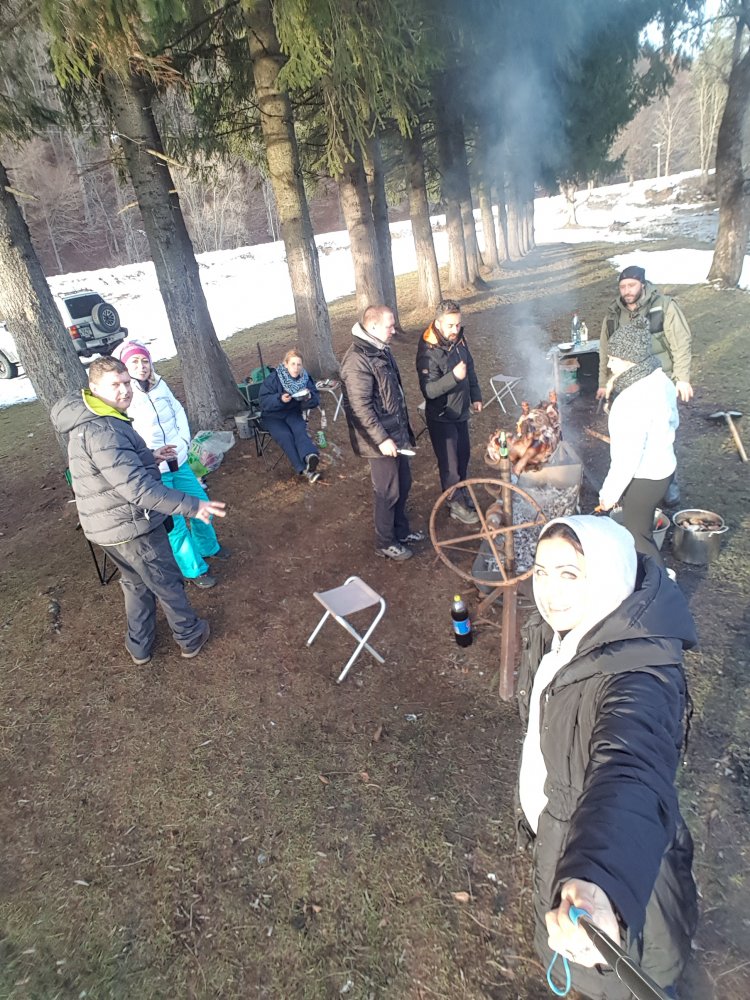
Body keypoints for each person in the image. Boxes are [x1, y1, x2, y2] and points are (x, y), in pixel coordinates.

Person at [517, 514, 698, 1000]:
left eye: (569, 574)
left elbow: (630, 770)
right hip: (561, 837)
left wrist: (600, 880)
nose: (549, 592)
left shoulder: (640, 677)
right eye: (541, 572)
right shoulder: (564, 634)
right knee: (586, 977)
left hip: (622, 875)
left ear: (609, 576)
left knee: (627, 981)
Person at [51, 357, 227, 665]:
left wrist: (148, 456)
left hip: (107, 528)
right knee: (166, 582)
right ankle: (190, 636)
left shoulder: (94, 420)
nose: (124, 391)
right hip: (132, 526)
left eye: (126, 383)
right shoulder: (105, 429)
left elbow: (113, 469)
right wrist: (193, 505)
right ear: (95, 388)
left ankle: (139, 645)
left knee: (135, 583)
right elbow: (139, 490)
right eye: (115, 385)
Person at [117, 340, 228, 589]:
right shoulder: (126, 397)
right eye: (135, 362)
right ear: (125, 366)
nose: (141, 366)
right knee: (175, 523)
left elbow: (178, 412)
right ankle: (194, 569)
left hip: (179, 462)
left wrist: (182, 442)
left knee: (201, 505)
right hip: (156, 471)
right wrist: (150, 455)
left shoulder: (160, 385)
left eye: (144, 361)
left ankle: (209, 548)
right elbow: (130, 435)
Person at [597, 264, 692, 507]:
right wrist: (603, 383)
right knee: (630, 437)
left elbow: (681, 342)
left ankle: (668, 484)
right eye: (622, 286)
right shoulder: (613, 314)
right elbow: (605, 351)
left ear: (642, 284)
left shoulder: (663, 306)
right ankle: (632, 482)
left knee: (661, 434)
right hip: (627, 383)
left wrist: (682, 377)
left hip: (659, 380)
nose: (627, 291)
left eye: (631, 285)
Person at [340, 304, 424, 561]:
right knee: (387, 492)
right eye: (390, 326)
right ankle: (385, 542)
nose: (393, 330)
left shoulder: (380, 349)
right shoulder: (357, 360)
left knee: (403, 484)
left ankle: (401, 531)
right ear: (373, 326)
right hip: (378, 440)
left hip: (395, 434)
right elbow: (359, 408)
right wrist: (382, 439)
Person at [598, 317, 678, 568]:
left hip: (646, 478)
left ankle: (661, 583)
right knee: (641, 528)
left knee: (638, 536)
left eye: (613, 358)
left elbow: (627, 460)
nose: (608, 364)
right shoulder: (661, 380)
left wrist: (608, 495)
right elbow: (674, 421)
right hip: (665, 469)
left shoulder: (630, 400)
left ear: (630, 359)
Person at [416, 299, 483, 524]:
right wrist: (454, 377)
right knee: (450, 465)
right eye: (450, 325)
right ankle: (455, 504)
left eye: (458, 324)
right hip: (441, 417)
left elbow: (469, 368)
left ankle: (461, 493)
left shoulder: (459, 339)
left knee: (463, 456)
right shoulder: (428, 351)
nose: (455, 330)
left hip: (460, 411)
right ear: (438, 323)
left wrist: (475, 396)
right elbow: (429, 391)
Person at [259, 350, 322, 483]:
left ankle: (309, 456)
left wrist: (309, 397)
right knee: (285, 436)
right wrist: (280, 399)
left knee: (299, 430)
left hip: (292, 412)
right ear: (286, 364)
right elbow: (263, 402)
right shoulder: (274, 378)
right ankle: (304, 469)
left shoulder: (305, 378)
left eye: (299, 364)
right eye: (293, 364)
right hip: (272, 416)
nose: (296, 368)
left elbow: (316, 399)